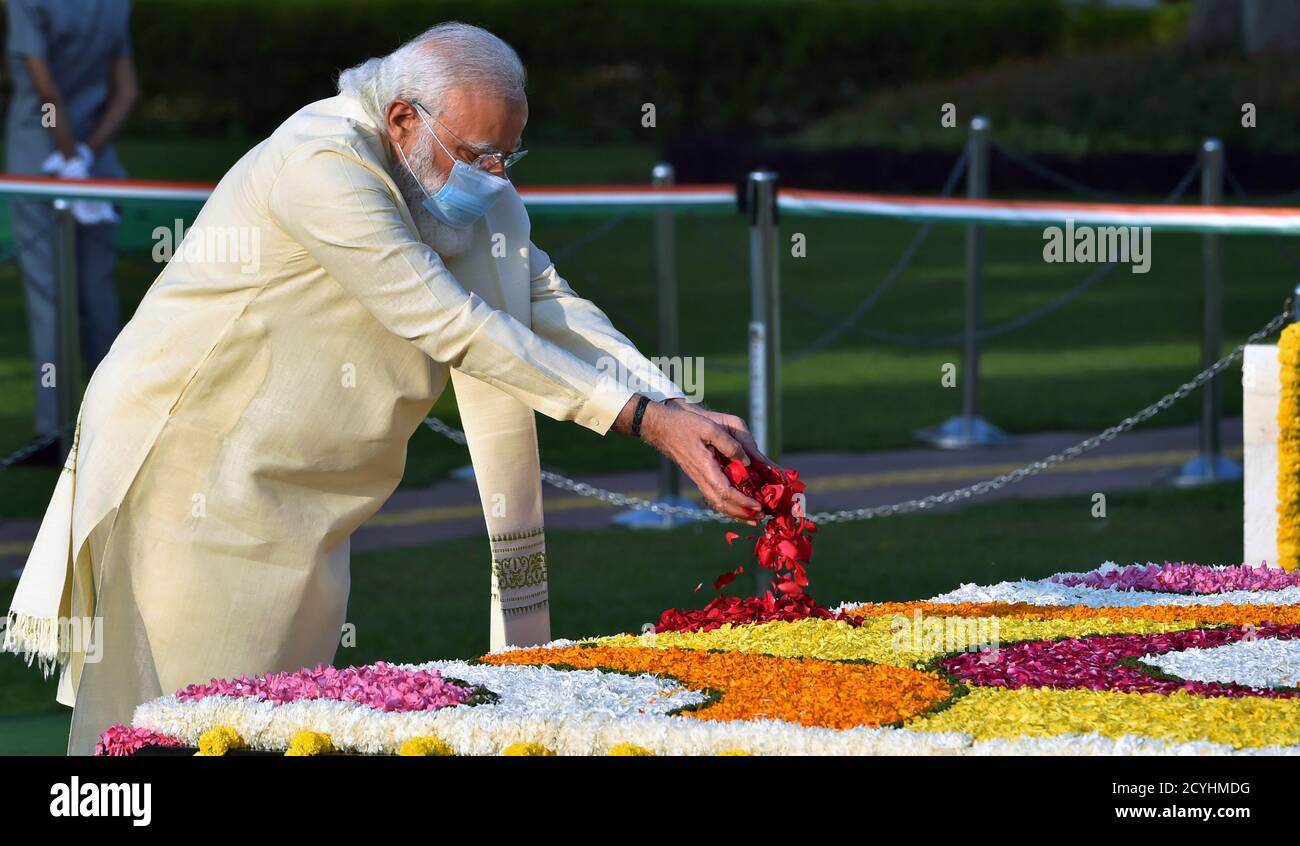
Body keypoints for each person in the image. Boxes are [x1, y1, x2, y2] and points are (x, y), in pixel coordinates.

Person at [2, 22, 765, 755]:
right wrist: (638, 421)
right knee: (186, 726)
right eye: (478, 154)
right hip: (194, 471)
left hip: (310, 495)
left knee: (284, 720)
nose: (497, 177)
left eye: (508, 155)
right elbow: (445, 319)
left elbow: (547, 304)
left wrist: (672, 405)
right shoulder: (322, 162)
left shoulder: (453, 181)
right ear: (402, 119)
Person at [3, 0, 139, 465]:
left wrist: (67, 158)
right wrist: (87, 154)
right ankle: (114, 425)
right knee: (98, 296)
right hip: (96, 164)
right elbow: (127, 93)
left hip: (41, 163)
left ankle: (53, 433)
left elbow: (45, 92)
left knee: (49, 299)